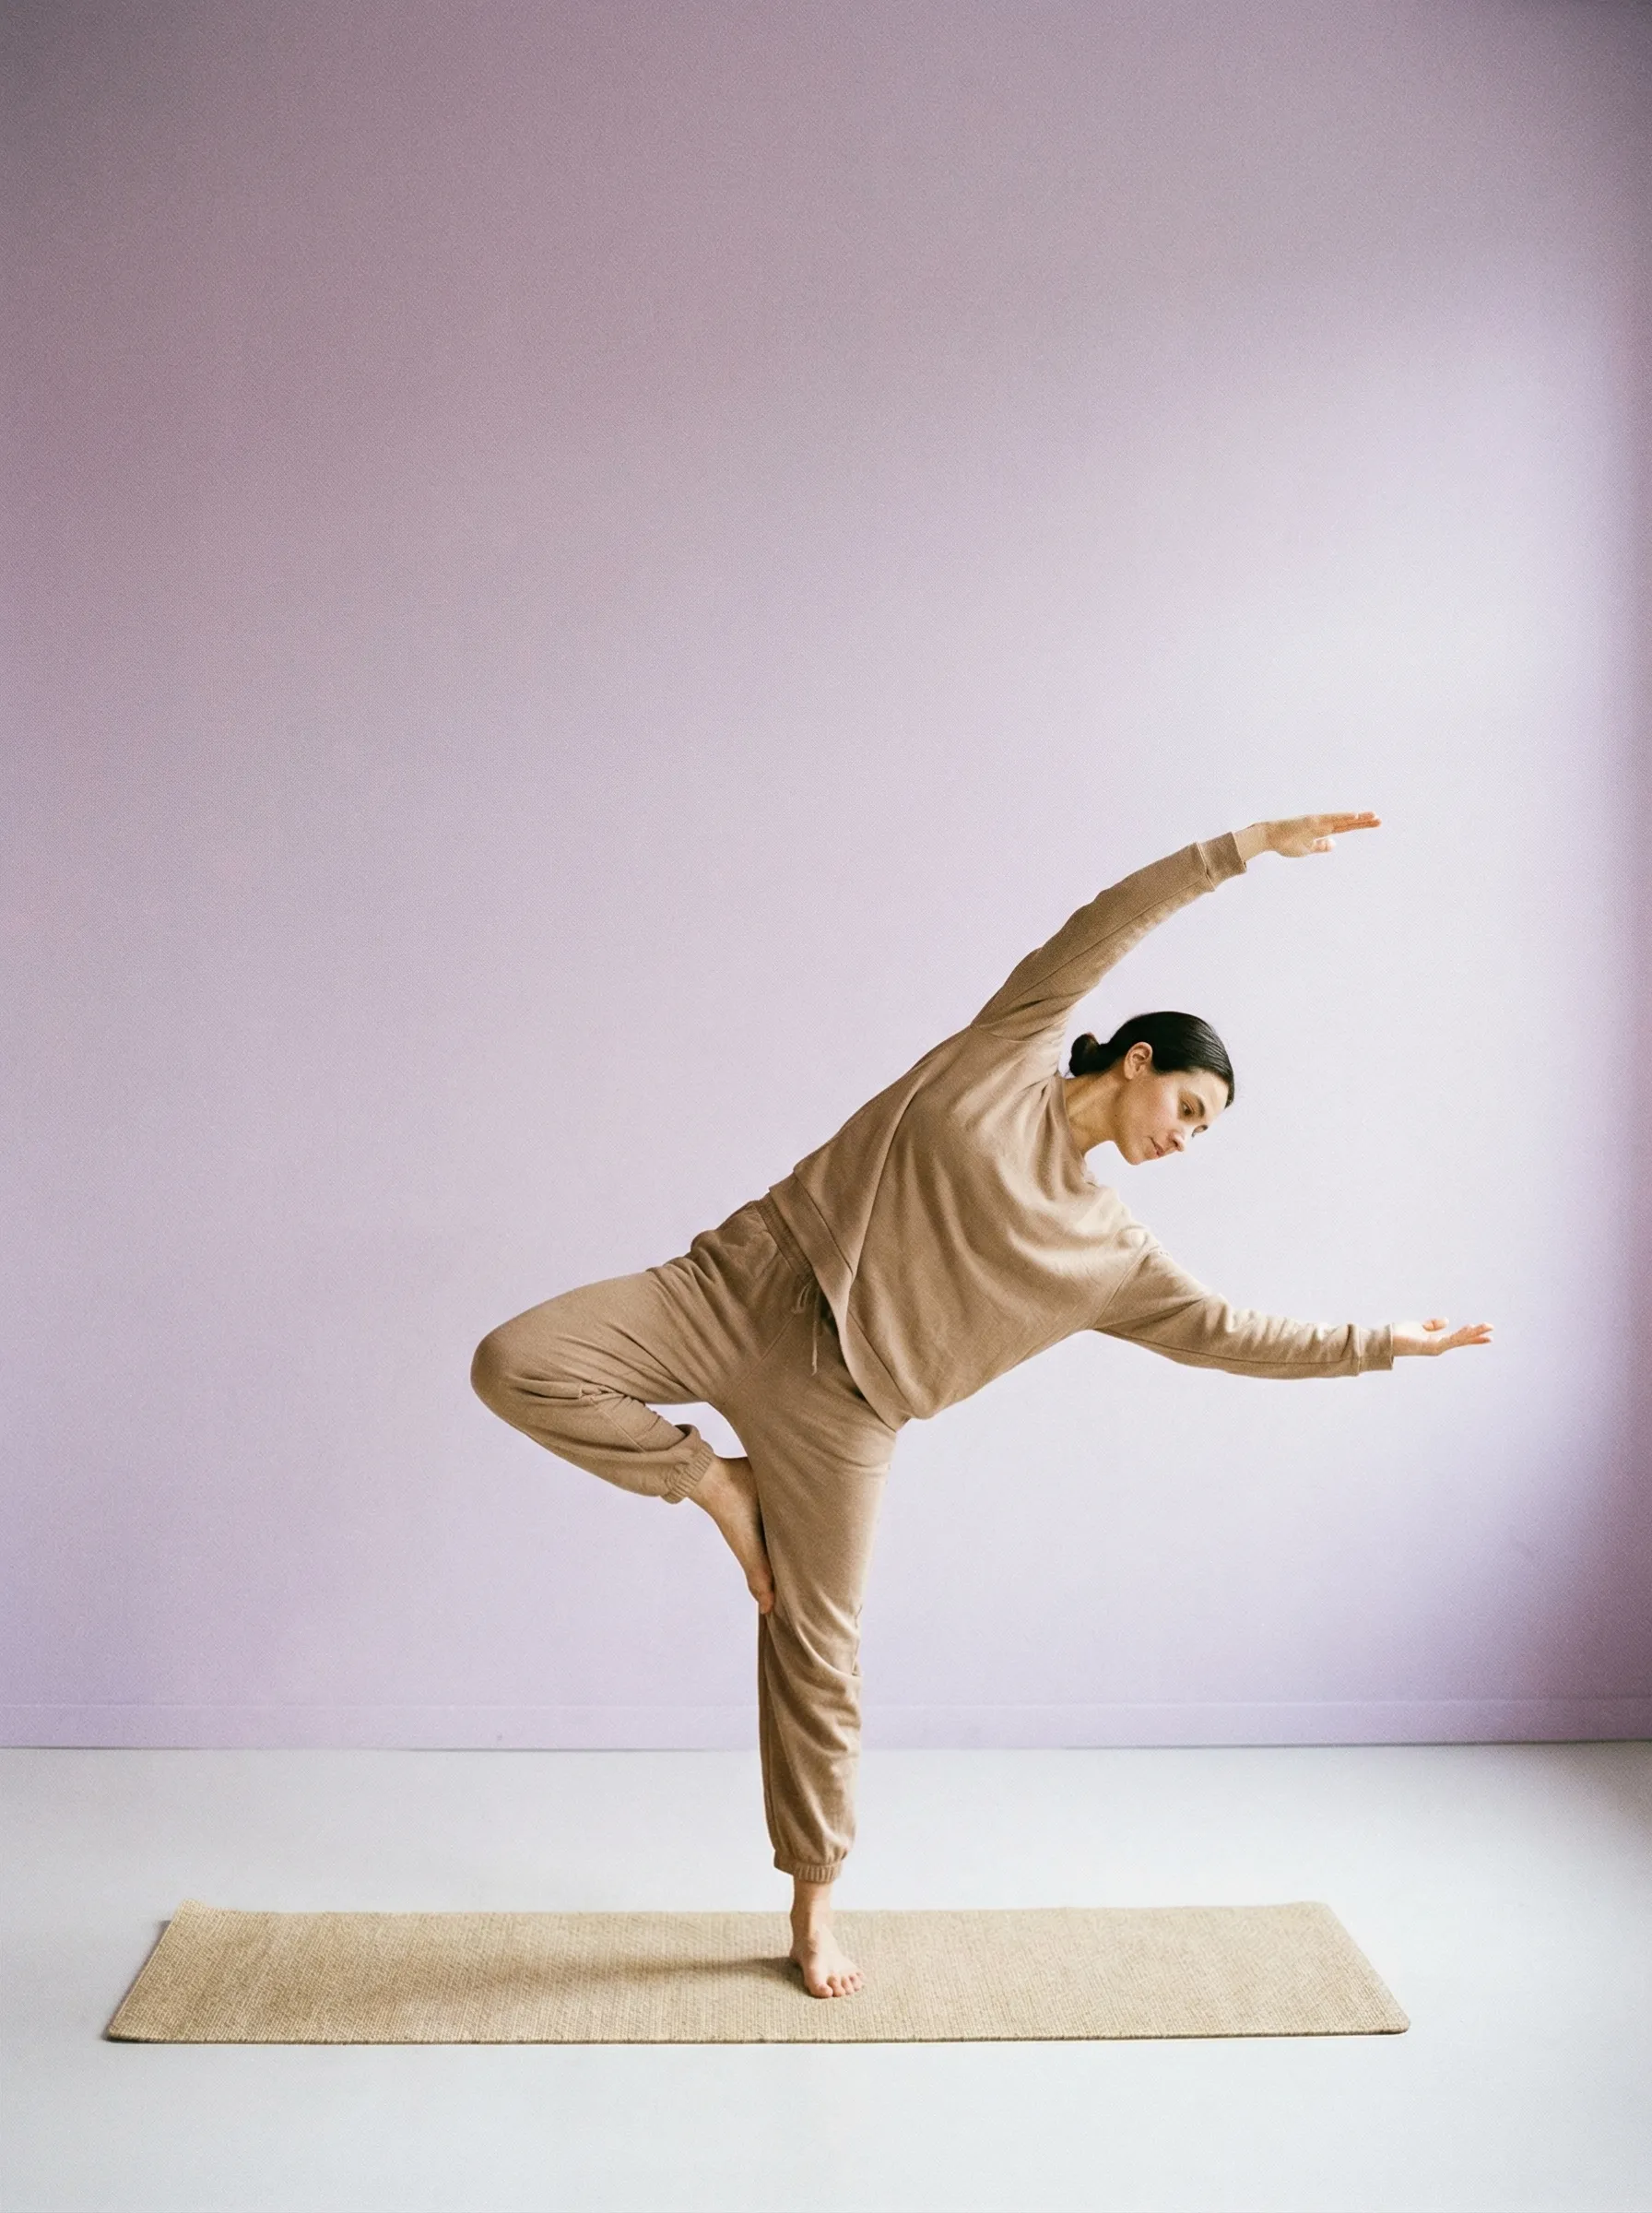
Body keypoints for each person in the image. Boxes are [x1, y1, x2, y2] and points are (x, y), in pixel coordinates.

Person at [471, 811, 1492, 1998]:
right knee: (517, 1359)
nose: (1186, 1141)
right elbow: (1103, 926)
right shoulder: (1010, 1047)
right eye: (1191, 1112)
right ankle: (714, 1485)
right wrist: (1242, 848)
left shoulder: (1109, 1254)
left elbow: (1226, 1335)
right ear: (1138, 1065)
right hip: (741, 1284)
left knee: (819, 1649)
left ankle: (811, 1909)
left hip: (845, 1411)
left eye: (1204, 1135)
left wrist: (1378, 1345)